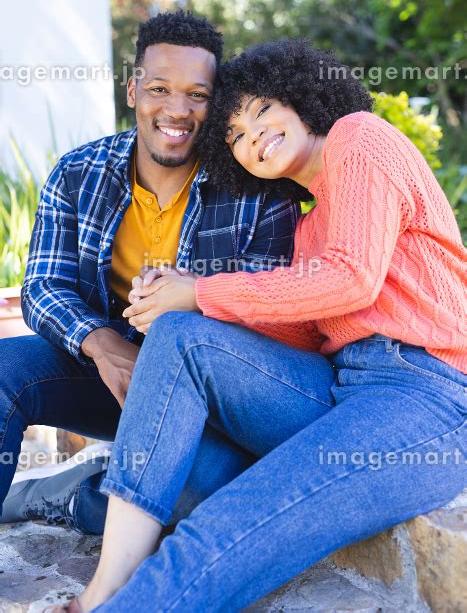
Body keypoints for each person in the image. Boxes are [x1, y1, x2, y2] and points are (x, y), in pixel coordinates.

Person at [48, 40, 466, 612]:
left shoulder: (359, 136)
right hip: (342, 389)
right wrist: (181, 299)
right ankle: (109, 578)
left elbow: (352, 279)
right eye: (236, 136)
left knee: (238, 514)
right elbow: (304, 334)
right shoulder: (307, 226)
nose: (253, 136)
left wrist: (202, 292)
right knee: (179, 346)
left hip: (430, 397)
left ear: (299, 97)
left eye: (262, 110)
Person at [0, 16, 302, 534]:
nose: (177, 110)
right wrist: (101, 344)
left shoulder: (260, 193)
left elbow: (270, 316)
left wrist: (191, 299)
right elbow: (43, 286)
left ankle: (65, 495)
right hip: (110, 377)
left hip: (201, 402)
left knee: (186, 498)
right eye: (159, 88)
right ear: (133, 88)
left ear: (217, 102)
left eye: (198, 94)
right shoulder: (79, 173)